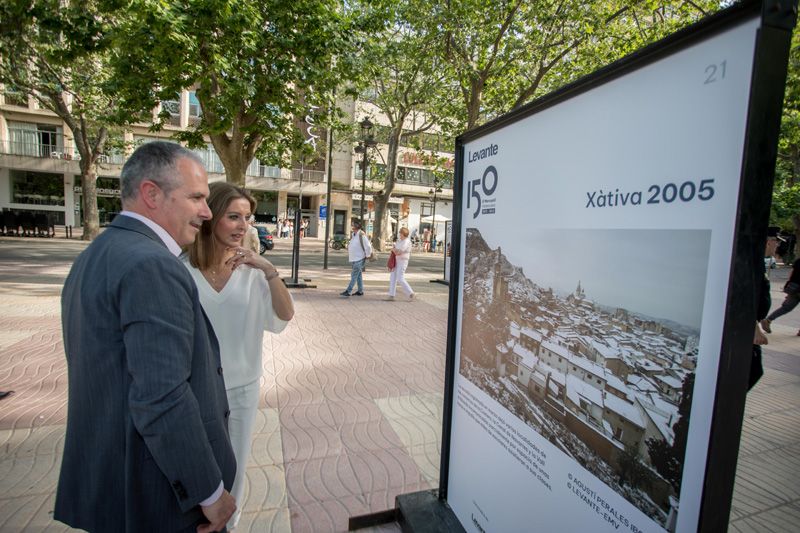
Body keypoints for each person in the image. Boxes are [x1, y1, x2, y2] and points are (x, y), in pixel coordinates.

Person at [55, 141, 237, 532]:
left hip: (115, 488)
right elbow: (162, 396)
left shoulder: (97, 253)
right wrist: (209, 492)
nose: (206, 213)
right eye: (196, 198)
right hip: (156, 498)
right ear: (151, 194)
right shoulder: (152, 265)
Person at [184, 182, 294, 529]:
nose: (243, 226)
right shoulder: (181, 269)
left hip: (243, 388)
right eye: (233, 216)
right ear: (210, 217)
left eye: (246, 217)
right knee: (195, 467)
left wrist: (269, 270)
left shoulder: (253, 273)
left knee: (234, 470)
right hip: (195, 389)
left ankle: (230, 526)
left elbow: (285, 316)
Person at [761, 258, 800, 336]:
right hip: (796, 287)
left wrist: (789, 285)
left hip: (795, 286)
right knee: (787, 307)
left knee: (786, 307)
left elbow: (792, 273)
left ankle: (768, 320)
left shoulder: (799, 261)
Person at [341, 220, 372, 297]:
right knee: (358, 275)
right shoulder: (354, 234)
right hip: (354, 258)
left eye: (353, 225)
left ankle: (348, 291)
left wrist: (367, 255)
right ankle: (360, 291)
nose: (352, 226)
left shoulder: (362, 235)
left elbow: (368, 246)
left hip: (359, 258)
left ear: (356, 227)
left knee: (354, 275)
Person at [387, 227, 415, 301]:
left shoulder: (407, 242)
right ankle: (391, 295)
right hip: (397, 260)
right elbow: (396, 250)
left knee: (400, 277)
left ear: (403, 234)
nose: (399, 234)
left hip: (403, 261)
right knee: (393, 277)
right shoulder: (400, 241)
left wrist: (393, 249)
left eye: (400, 233)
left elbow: (399, 252)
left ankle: (410, 292)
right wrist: (394, 249)